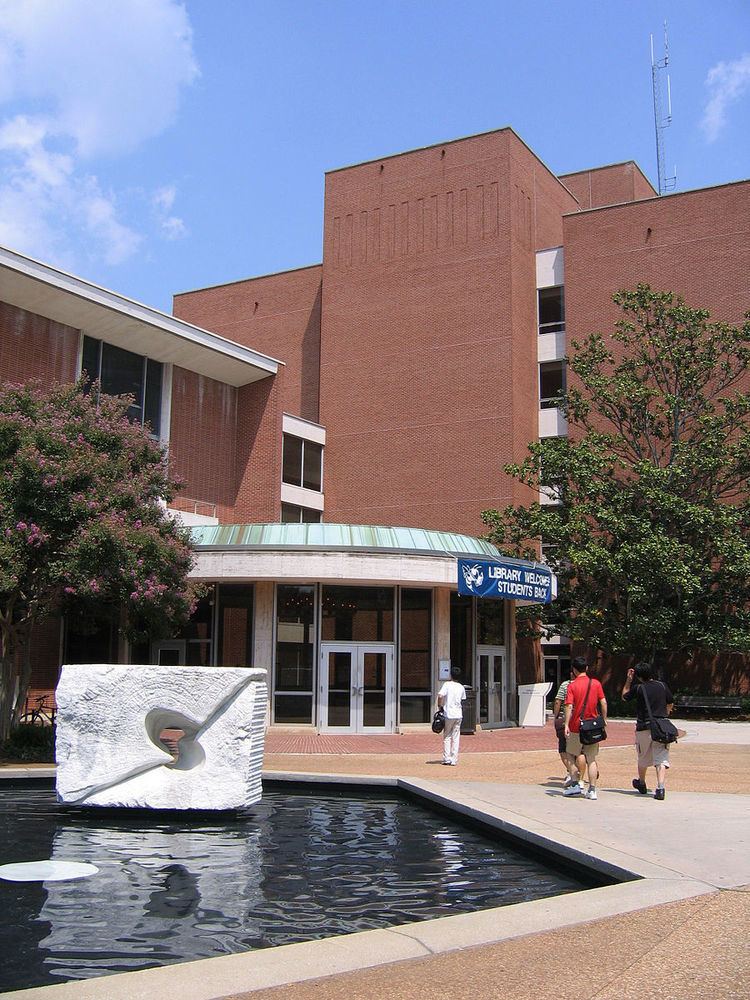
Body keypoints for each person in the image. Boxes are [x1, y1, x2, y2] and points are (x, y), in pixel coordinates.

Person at [622, 661, 674, 800]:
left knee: (643, 757)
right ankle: (661, 788)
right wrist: (666, 714)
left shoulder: (639, 688)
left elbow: (624, 696)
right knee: (661, 759)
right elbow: (670, 702)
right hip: (661, 727)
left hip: (644, 727)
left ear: (638, 676)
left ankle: (642, 782)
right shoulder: (662, 686)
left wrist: (628, 680)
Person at [563, 656, 607, 800]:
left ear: (574, 670)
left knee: (570, 754)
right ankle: (592, 790)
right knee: (591, 759)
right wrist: (604, 720)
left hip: (577, 725)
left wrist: (566, 724)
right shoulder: (596, 683)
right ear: (586, 668)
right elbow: (603, 702)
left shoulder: (572, 685)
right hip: (593, 726)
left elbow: (569, 705)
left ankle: (575, 783)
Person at [437, 666, 466, 766]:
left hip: (449, 713)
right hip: (458, 714)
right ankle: (454, 759)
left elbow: (440, 695)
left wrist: (440, 706)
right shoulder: (461, 687)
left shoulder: (447, 684)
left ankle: (447, 758)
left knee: (447, 736)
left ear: (450, 675)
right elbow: (462, 699)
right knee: (456, 736)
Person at [553, 667, 576, 787]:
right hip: (582, 720)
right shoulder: (590, 684)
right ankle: (590, 767)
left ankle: (572, 772)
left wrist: (556, 716)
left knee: (563, 748)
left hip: (566, 720)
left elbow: (558, 701)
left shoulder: (566, 685)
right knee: (582, 749)